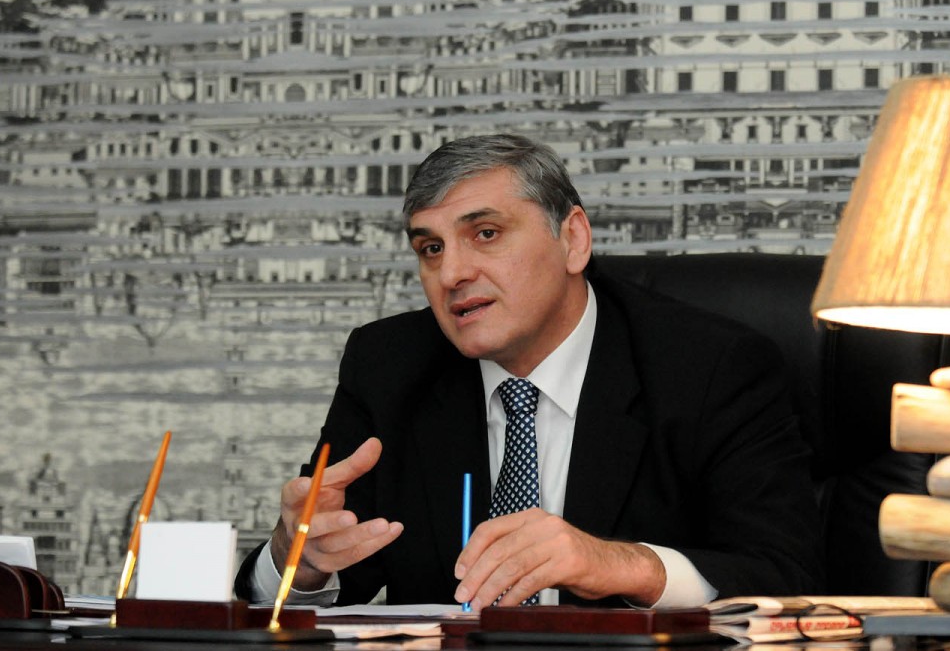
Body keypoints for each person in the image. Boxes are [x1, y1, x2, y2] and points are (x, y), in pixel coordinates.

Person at [234, 134, 823, 608]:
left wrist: (620, 564)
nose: (452, 274)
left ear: (573, 239)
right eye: (431, 249)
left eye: (485, 234)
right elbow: (331, 572)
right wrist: (299, 561)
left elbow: (785, 576)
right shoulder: (389, 364)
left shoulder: (708, 366)